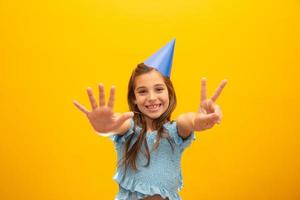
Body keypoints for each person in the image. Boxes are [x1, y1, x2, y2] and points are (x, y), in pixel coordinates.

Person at [73, 39, 227, 200]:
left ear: (169, 92)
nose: (152, 98)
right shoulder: (129, 128)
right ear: (134, 98)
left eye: (159, 89)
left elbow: (187, 121)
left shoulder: (175, 131)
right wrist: (105, 128)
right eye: (142, 91)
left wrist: (198, 120)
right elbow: (117, 124)